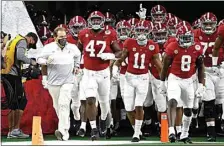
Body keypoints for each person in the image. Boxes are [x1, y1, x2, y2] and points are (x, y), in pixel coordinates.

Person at [113, 20, 162, 142]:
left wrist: (164, 80)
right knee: (129, 107)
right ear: (134, 31)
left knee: (139, 105)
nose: (141, 34)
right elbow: (120, 60)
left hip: (143, 78)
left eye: (144, 31)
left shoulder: (152, 45)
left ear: (149, 32)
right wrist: (115, 69)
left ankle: (136, 133)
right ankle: (138, 130)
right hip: (129, 77)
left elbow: (159, 65)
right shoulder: (129, 42)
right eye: (139, 30)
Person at [77, 10, 121, 140]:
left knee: (104, 102)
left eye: (98, 20)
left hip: (104, 73)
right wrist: (76, 66)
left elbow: (119, 52)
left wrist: (111, 55)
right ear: (90, 21)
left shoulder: (110, 33)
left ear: (102, 22)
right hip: (88, 73)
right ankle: (94, 129)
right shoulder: (83, 33)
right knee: (90, 100)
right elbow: (77, 51)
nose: (96, 22)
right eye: (93, 20)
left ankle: (103, 121)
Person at [160, 25, 205, 143]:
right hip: (175, 78)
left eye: (188, 38)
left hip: (189, 80)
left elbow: (201, 67)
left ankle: (185, 134)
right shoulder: (172, 47)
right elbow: (165, 67)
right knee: (173, 101)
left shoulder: (196, 47)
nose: (186, 41)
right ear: (178, 37)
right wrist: (162, 82)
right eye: (184, 38)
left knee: (188, 109)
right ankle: (171, 131)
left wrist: (201, 84)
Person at [37, 27, 81, 141]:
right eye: (61, 37)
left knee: (64, 104)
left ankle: (63, 131)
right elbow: (39, 59)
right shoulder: (48, 48)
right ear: (55, 37)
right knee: (57, 106)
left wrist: (76, 66)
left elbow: (78, 56)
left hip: (68, 81)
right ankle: (64, 127)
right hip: (53, 82)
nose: (63, 39)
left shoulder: (72, 47)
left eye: (65, 36)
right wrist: (46, 61)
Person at [1, 32, 38, 139]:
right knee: (21, 101)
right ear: (31, 39)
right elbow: (20, 56)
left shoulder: (13, 40)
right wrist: (32, 62)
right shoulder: (22, 41)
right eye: (31, 43)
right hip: (13, 75)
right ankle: (15, 130)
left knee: (12, 103)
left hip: (6, 73)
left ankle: (11, 131)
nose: (29, 46)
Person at [194, 12, 224, 141]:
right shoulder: (195, 34)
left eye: (210, 24)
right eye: (205, 24)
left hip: (221, 68)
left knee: (221, 100)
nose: (208, 26)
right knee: (208, 100)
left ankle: (219, 126)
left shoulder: (220, 32)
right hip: (205, 70)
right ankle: (210, 131)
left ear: (215, 24)